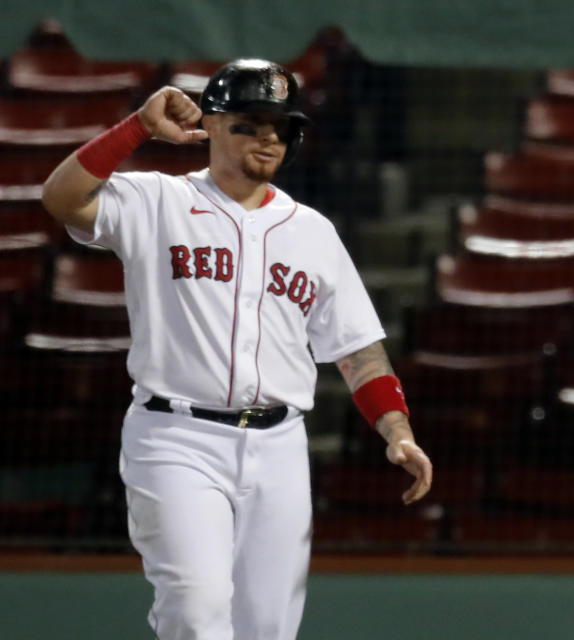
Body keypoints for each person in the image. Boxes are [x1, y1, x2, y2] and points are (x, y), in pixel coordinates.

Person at [41, 59, 433, 640]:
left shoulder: (313, 231)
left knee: (268, 628)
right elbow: (61, 197)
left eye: (282, 125)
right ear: (213, 125)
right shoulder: (158, 201)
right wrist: (137, 129)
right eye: (252, 122)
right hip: (176, 437)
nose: (269, 135)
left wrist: (396, 431)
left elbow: (359, 351)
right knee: (196, 611)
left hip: (278, 446)